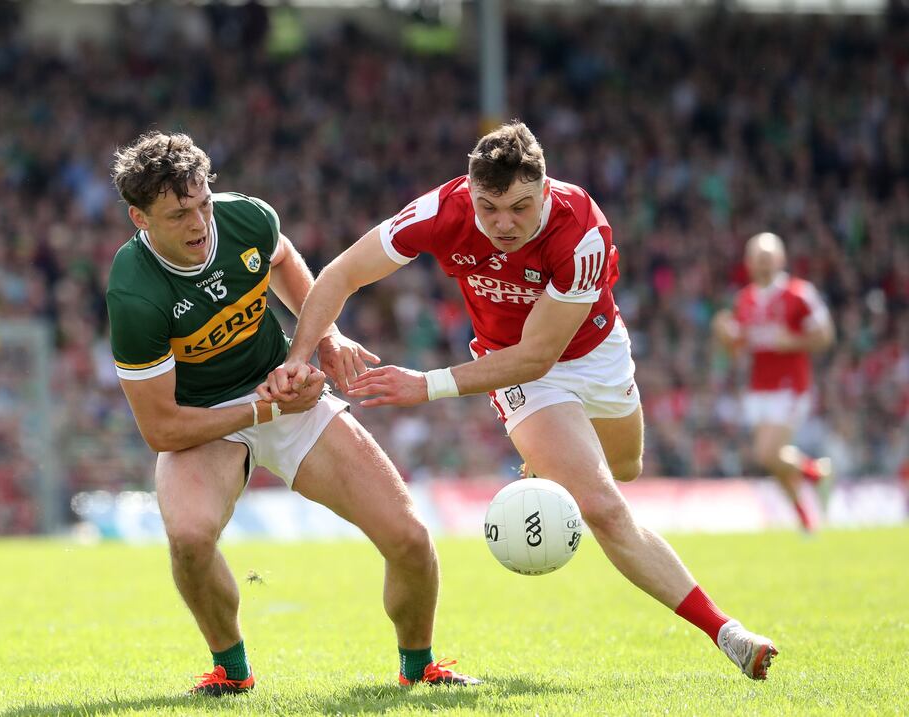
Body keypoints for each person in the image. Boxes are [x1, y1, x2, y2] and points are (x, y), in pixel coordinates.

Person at [262, 121, 778, 680]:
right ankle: (727, 632)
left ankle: (542, 462)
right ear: (468, 191)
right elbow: (340, 275)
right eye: (489, 208)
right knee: (603, 506)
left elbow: (541, 353)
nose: (503, 224)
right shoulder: (442, 211)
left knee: (627, 468)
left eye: (520, 208)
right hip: (514, 369)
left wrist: (427, 383)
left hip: (592, 353)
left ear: (545, 188)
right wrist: (302, 353)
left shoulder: (580, 232)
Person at [106, 131, 478, 696]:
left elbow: (281, 259)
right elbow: (160, 427)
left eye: (204, 202)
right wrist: (262, 411)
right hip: (204, 417)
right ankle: (231, 673)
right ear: (140, 218)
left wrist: (324, 334)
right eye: (180, 213)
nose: (200, 223)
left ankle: (419, 668)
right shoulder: (133, 293)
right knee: (188, 537)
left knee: (408, 537)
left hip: (280, 391)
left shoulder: (246, 218)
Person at [712, 232, 835, 532]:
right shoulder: (745, 300)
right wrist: (725, 336)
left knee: (766, 453)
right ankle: (806, 515)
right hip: (759, 387)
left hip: (790, 385)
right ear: (748, 263)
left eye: (767, 258)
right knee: (772, 459)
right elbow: (738, 347)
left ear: (780, 260)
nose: (762, 264)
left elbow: (825, 336)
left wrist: (792, 340)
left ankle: (816, 475)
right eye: (756, 258)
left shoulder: (799, 293)